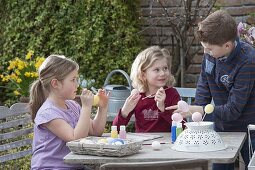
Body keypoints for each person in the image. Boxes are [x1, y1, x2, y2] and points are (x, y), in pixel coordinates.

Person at [167, 10, 255, 170]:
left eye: (209, 49)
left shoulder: (247, 61)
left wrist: (201, 110)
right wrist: (195, 117)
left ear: (227, 45)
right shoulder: (211, 55)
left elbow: (234, 109)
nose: (205, 53)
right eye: (204, 48)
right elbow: (203, 88)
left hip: (249, 130)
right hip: (220, 128)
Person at [29, 55, 109, 169]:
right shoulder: (48, 113)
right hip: (50, 167)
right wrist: (86, 107)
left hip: (72, 166)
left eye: (77, 79)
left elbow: (95, 131)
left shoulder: (72, 106)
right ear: (55, 83)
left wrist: (103, 107)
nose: (77, 84)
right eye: (72, 80)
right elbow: (75, 139)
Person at [112, 46, 180, 132]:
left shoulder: (172, 94)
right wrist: (125, 111)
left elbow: (181, 127)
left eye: (165, 68)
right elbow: (115, 130)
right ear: (143, 74)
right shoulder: (138, 97)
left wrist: (163, 108)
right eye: (156, 70)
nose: (163, 73)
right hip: (143, 144)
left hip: (168, 143)